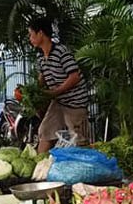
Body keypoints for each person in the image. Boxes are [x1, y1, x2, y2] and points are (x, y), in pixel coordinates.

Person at [28, 16, 90, 153]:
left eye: (31, 34)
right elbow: (41, 79)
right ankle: (40, 166)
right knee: (44, 131)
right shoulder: (40, 58)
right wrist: (31, 94)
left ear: (41, 33)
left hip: (75, 103)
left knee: (77, 139)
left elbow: (74, 77)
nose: (30, 38)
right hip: (59, 102)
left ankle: (83, 170)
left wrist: (56, 92)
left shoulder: (61, 51)